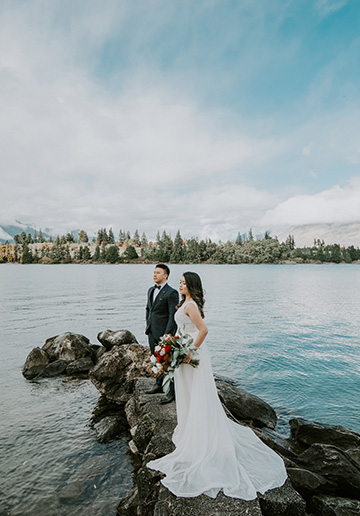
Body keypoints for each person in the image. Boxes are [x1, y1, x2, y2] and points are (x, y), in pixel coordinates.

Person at [147, 271, 287, 499]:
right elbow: (183, 330)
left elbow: (203, 330)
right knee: (188, 394)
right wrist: (172, 344)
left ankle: (200, 436)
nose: (180, 285)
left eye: (183, 283)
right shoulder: (185, 304)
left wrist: (189, 351)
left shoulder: (190, 306)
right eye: (180, 282)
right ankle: (189, 429)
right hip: (183, 352)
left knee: (197, 394)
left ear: (192, 285)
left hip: (191, 354)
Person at [145, 263, 179, 404]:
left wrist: (168, 335)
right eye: (154, 272)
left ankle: (171, 392)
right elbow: (149, 309)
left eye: (158, 272)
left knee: (168, 362)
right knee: (155, 359)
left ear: (165, 275)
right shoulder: (151, 290)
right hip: (152, 331)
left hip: (164, 334)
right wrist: (148, 326)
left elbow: (173, 316)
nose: (154, 275)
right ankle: (158, 384)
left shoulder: (172, 293)